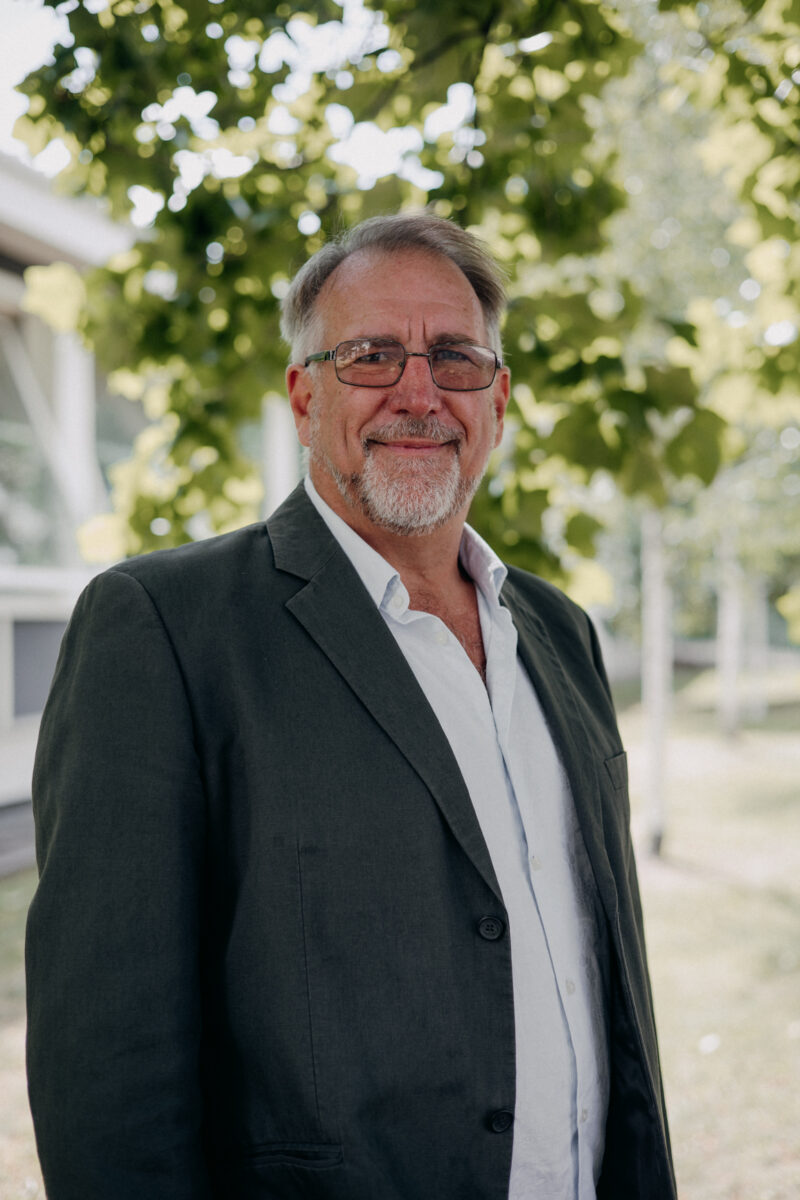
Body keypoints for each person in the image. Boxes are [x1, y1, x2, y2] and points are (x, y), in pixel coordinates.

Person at [26, 211, 676, 1200]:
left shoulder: (561, 634)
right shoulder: (163, 628)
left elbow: (606, 984)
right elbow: (107, 1075)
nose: (417, 392)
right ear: (302, 392)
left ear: (497, 401)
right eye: (371, 356)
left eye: (455, 359)